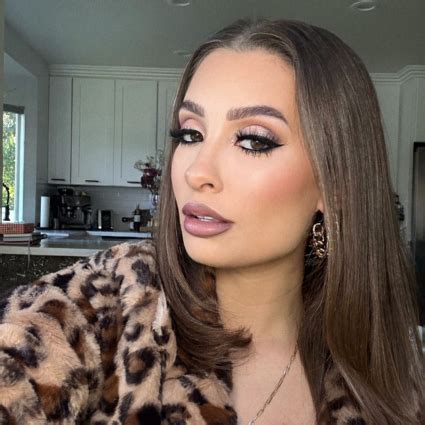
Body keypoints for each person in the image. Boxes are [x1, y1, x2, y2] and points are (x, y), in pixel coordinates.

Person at [0, 19, 423, 425]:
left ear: (336, 187)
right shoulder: (107, 313)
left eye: (253, 140)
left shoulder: (389, 371)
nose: (196, 171)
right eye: (190, 135)